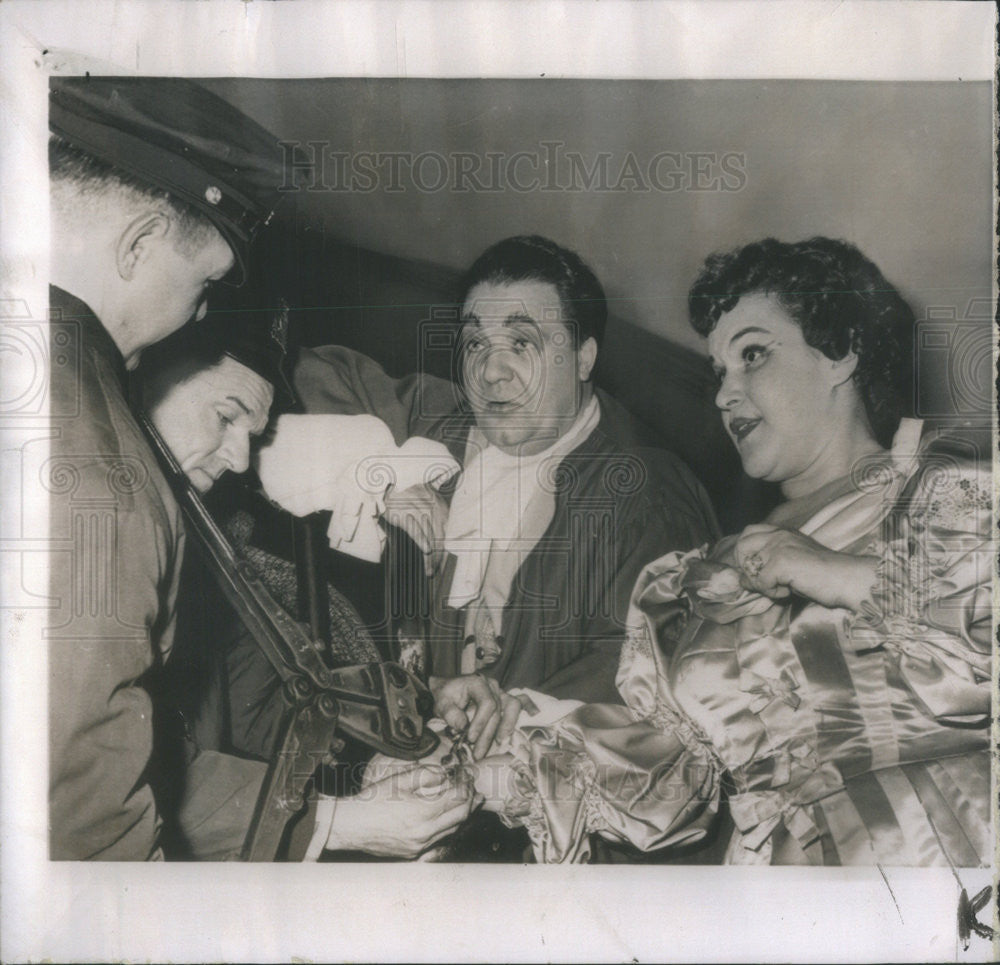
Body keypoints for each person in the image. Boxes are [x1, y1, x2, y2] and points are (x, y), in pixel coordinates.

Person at [459, 237, 992, 866]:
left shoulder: (947, 492)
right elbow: (677, 776)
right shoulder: (697, 575)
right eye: (720, 372)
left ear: (842, 352)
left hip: (932, 857)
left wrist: (835, 572)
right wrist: (512, 728)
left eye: (754, 356)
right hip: (769, 887)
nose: (723, 394)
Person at [140, 291, 522, 860]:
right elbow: (117, 782)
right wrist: (339, 821)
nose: (242, 460)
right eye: (225, 417)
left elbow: (257, 702)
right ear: (144, 378)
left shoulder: (209, 521)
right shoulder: (107, 530)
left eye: (253, 431)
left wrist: (406, 715)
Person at [289, 235, 720, 705]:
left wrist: (502, 714)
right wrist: (389, 473)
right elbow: (309, 372)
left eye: (521, 341)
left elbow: (644, 672)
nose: (491, 370)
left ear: (583, 357)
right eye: (475, 343)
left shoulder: (647, 493)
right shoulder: (445, 423)